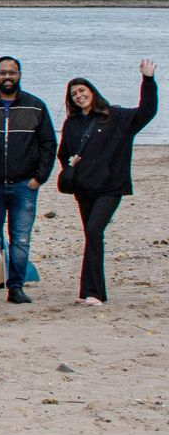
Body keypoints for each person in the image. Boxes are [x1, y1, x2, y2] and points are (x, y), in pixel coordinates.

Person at [57, 61, 157, 306]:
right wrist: (72, 165)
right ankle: (93, 292)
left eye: (82, 91)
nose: (79, 96)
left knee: (94, 231)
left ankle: (92, 292)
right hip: (83, 189)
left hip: (110, 187)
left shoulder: (116, 117)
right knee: (92, 237)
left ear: (92, 91)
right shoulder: (72, 123)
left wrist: (148, 80)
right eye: (74, 94)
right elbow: (64, 154)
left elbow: (147, 111)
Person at [0, 55, 57, 306]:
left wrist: (39, 178)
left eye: (12, 72)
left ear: (19, 74)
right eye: (3, 73)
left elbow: (48, 144)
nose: (7, 77)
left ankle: (16, 288)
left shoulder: (35, 106)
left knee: (21, 239)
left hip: (24, 185)